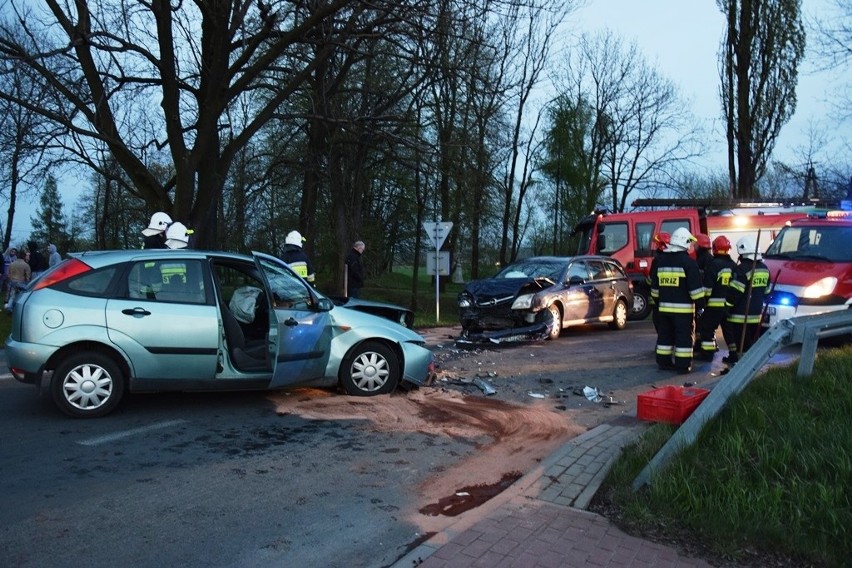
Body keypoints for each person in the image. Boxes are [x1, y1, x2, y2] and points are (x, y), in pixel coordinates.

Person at [649, 227, 704, 374]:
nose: (691, 246)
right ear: (685, 243)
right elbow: (696, 292)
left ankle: (663, 362)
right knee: (683, 338)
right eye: (690, 243)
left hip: (664, 309)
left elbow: (654, 290)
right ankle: (683, 365)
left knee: (665, 335)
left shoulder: (660, 262)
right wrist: (701, 306)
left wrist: (661, 302)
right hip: (684, 311)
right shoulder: (689, 264)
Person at [722, 236, 771, 365]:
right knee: (751, 345)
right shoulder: (765, 269)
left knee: (741, 345)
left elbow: (735, 292)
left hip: (739, 316)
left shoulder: (742, 269)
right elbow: (767, 292)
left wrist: (727, 307)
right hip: (756, 316)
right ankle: (749, 366)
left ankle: (740, 368)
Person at [694, 235, 737, 361]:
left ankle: (707, 354)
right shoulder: (733, 265)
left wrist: (702, 302)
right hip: (728, 306)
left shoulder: (713, 265)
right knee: (729, 332)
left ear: (715, 248)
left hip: (713, 306)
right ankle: (734, 355)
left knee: (707, 330)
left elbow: (707, 289)